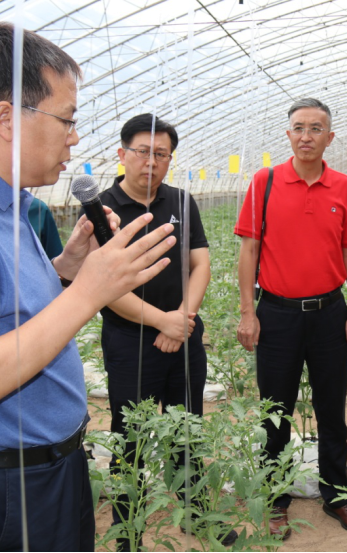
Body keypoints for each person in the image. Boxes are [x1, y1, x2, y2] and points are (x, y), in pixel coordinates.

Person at [0, 23, 175, 552]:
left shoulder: (7, 203)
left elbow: (0, 312)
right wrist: (86, 294)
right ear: (7, 118)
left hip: (41, 475)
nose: (75, 136)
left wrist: (66, 268)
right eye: (67, 119)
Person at [94, 114, 235, 548]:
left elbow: (201, 263)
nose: (151, 162)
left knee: (188, 429)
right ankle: (128, 529)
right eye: (142, 152)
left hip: (184, 334)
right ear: (122, 154)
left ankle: (195, 514)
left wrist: (182, 319)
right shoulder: (104, 209)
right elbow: (103, 288)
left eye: (161, 154)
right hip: (129, 341)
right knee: (129, 436)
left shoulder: (181, 201)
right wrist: (162, 322)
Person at [235, 98, 347, 539]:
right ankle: (275, 500)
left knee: (332, 409)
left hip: (329, 314)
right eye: (299, 127)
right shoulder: (265, 182)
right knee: (276, 411)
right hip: (276, 314)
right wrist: (247, 312)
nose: (307, 135)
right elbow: (249, 250)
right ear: (288, 135)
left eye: (316, 128)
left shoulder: (343, 187)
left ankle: (337, 496)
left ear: (330, 137)